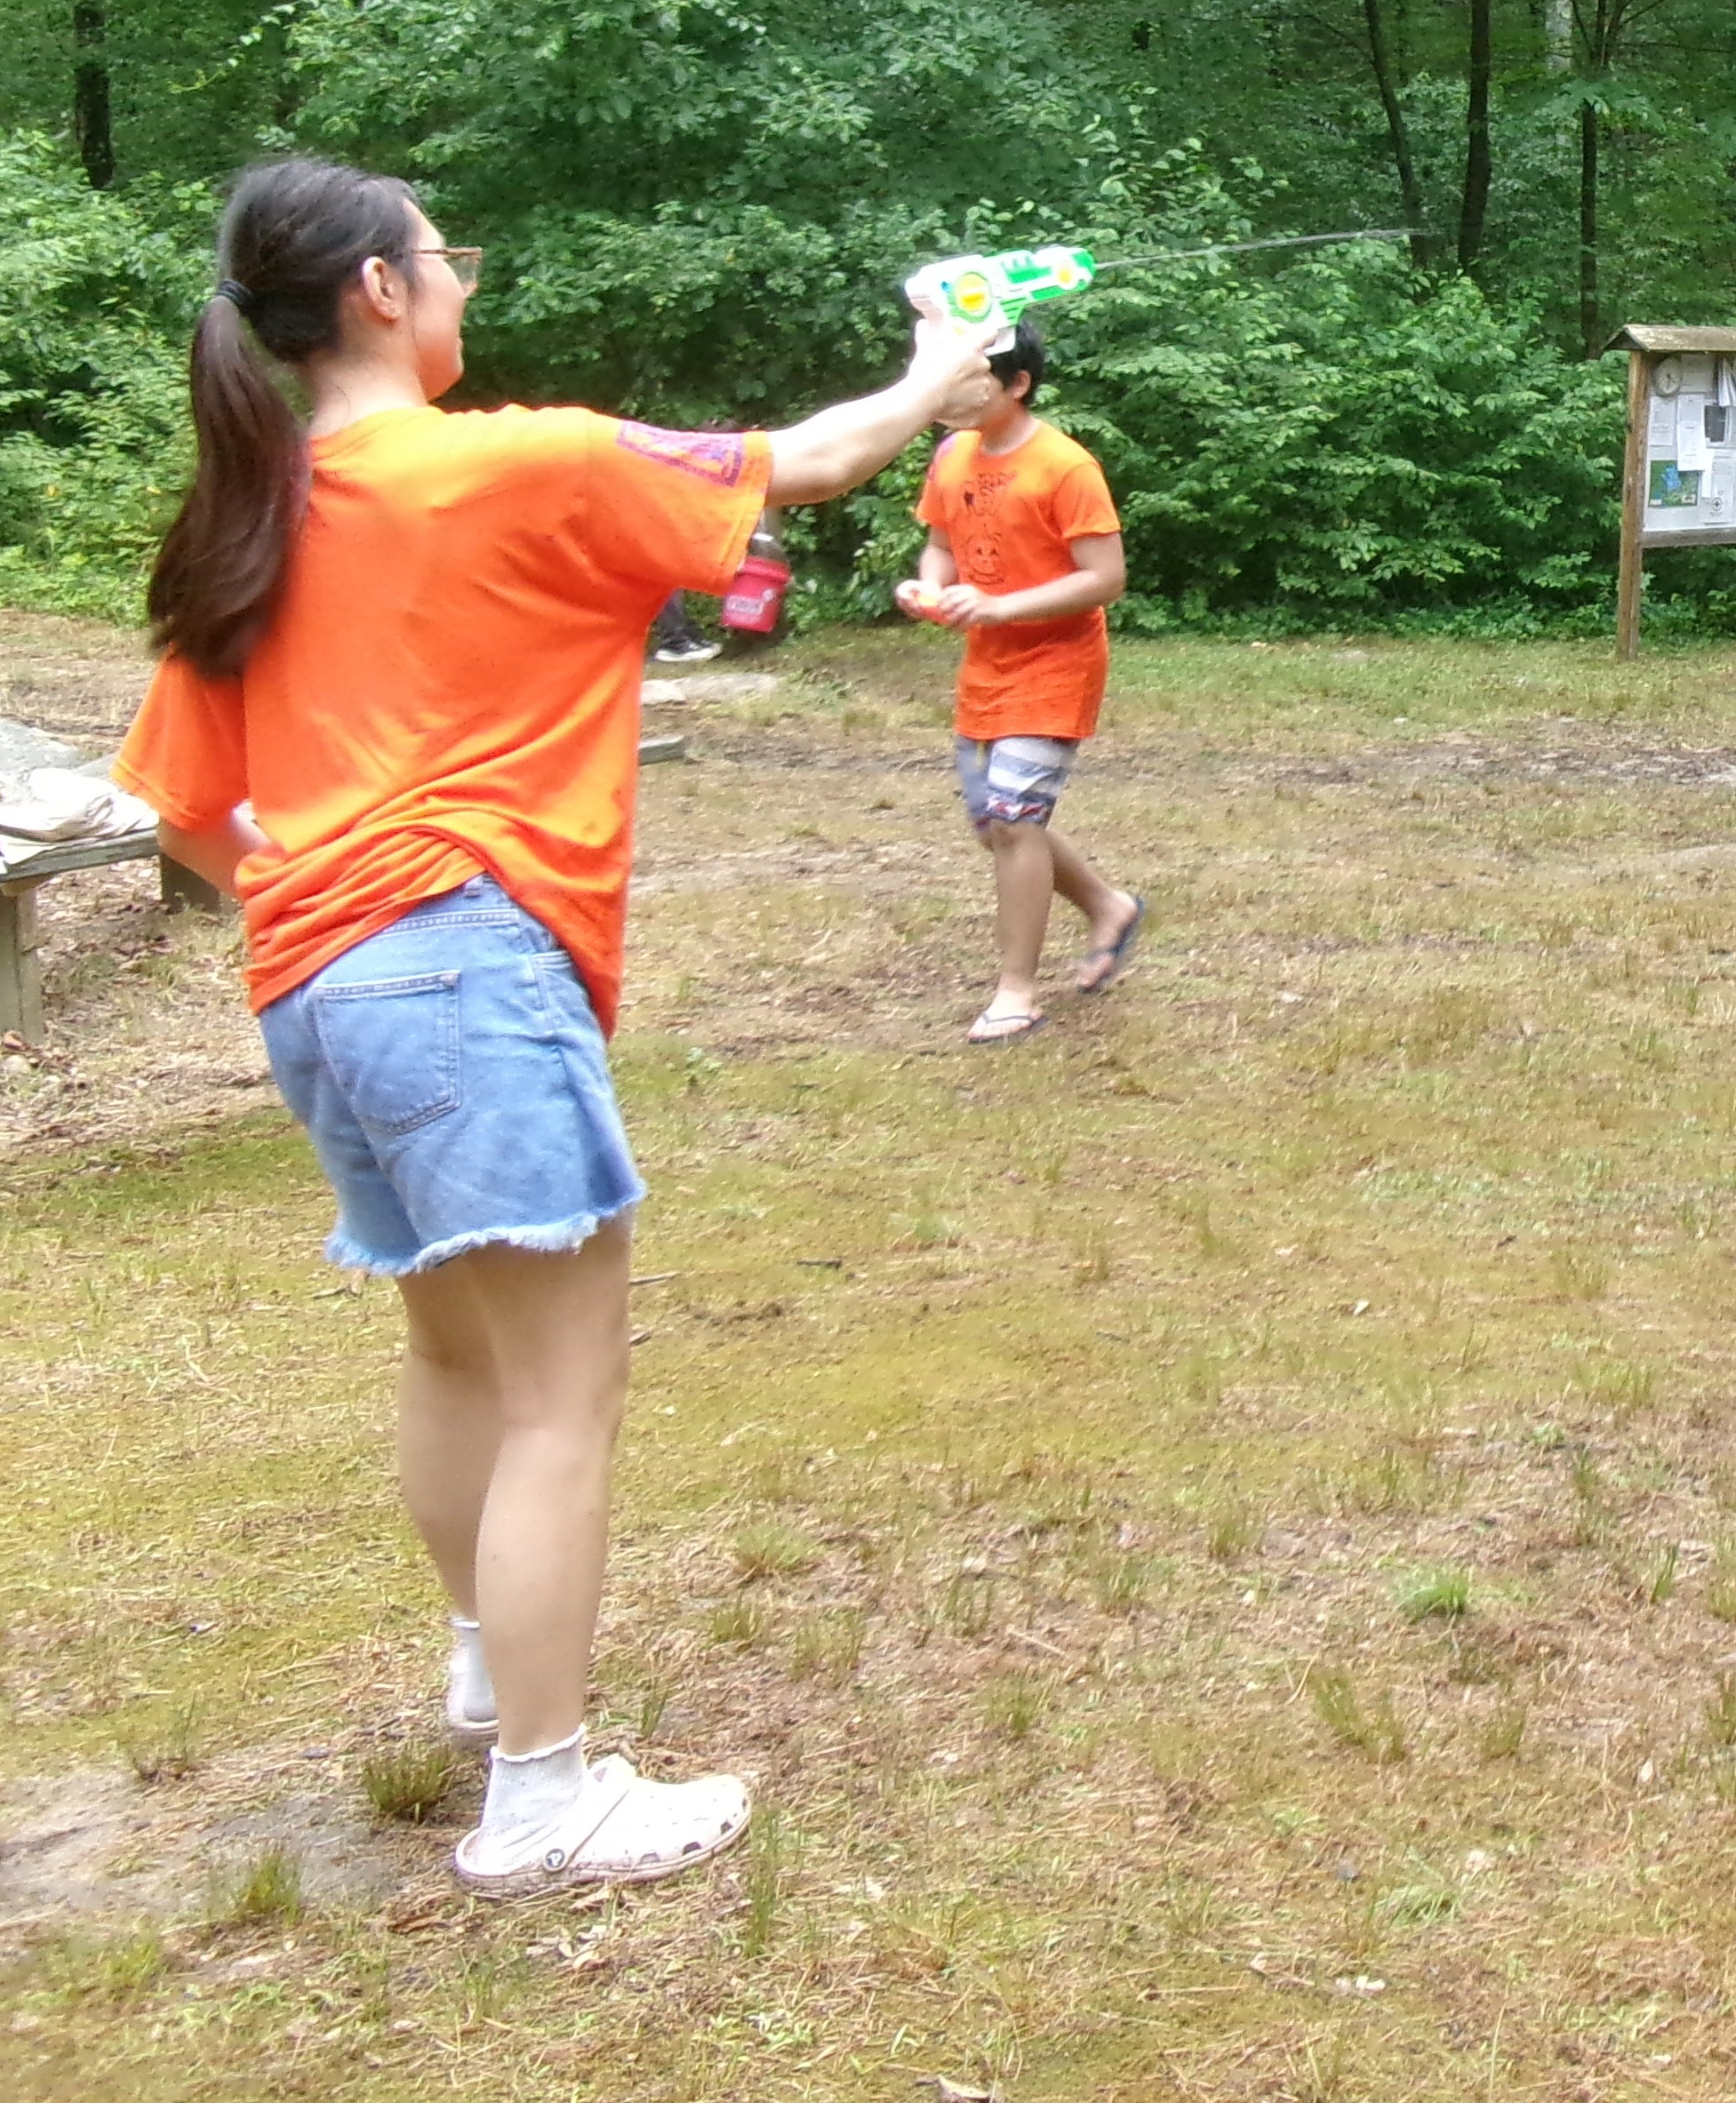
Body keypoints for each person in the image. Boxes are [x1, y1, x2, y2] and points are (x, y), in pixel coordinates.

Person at [113, 158, 995, 1896]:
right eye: (444, 258)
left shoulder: (252, 512)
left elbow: (183, 817)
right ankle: (542, 1799)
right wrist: (934, 364)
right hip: (464, 969)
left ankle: (486, 1667)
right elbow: (810, 465)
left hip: (318, 989)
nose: (462, 282)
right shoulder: (512, 461)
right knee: (559, 1403)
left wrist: (323, 907)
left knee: (459, 1362)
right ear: (378, 290)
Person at [894, 321, 1140, 1042]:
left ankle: (1016, 993)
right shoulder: (951, 455)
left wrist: (1000, 607)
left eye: (968, 380)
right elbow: (940, 545)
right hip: (987, 665)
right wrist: (928, 587)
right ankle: (1109, 906)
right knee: (992, 823)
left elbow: (1105, 578)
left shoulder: (1065, 467)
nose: (949, 395)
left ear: (1017, 383)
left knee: (1013, 820)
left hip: (1057, 663)